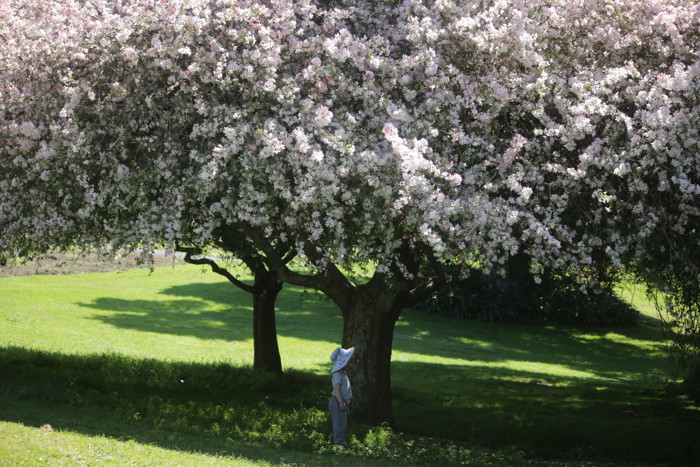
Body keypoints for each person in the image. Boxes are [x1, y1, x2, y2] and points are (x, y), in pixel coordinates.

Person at [329, 346, 354, 447]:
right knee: (339, 424)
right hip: (337, 402)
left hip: (342, 401)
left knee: (342, 423)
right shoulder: (338, 375)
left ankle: (341, 441)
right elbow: (336, 389)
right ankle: (338, 444)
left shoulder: (343, 374)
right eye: (347, 361)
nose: (349, 363)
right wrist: (340, 402)